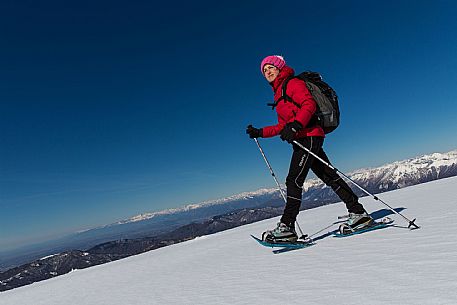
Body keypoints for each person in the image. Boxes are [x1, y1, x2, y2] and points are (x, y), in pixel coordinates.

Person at [247, 55, 373, 243]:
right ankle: (358, 212)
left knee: (294, 180)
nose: (268, 72)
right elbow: (282, 126)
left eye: (271, 67)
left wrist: (296, 125)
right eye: (264, 70)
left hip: (309, 136)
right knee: (329, 176)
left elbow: (309, 104)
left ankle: (287, 227)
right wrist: (260, 132)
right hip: (303, 138)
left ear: (280, 68)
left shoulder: (292, 83)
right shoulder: (279, 94)